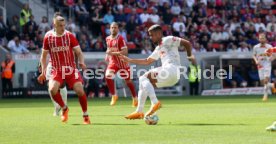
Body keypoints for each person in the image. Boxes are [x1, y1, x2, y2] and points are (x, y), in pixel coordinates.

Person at [121, 24, 194, 119]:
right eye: (150, 35)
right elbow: (147, 61)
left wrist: (189, 56)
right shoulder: (158, 48)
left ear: (159, 33)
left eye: (152, 35)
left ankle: (155, 102)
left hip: (171, 69)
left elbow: (187, 43)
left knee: (143, 78)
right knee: (143, 83)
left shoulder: (168, 39)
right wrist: (130, 60)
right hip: (172, 76)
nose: (151, 37)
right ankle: (139, 111)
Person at [37, 12, 90, 124]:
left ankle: (85, 115)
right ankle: (64, 108)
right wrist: (43, 71)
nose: (62, 28)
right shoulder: (48, 37)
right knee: (52, 90)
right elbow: (43, 56)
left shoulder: (69, 36)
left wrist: (81, 62)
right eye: (60, 26)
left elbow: (79, 52)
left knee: (80, 90)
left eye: (64, 25)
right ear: (54, 25)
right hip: (56, 69)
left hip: (70, 69)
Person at [105, 22, 138, 107]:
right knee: (108, 76)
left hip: (123, 62)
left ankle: (135, 98)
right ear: (110, 29)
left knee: (128, 81)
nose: (113, 29)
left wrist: (112, 53)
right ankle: (114, 95)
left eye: (115, 27)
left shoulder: (120, 39)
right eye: (112, 27)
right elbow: (109, 49)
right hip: (113, 62)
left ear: (118, 29)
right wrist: (107, 55)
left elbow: (125, 52)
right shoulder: (107, 39)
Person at [253, 34, 275, 101]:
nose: (261, 39)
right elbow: (253, 55)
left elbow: (274, 55)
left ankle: (265, 97)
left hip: (267, 64)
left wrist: (271, 59)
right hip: (260, 65)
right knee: (263, 82)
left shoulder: (269, 47)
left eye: (263, 38)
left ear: (265, 39)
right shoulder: (256, 47)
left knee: (266, 80)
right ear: (259, 39)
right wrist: (256, 61)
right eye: (260, 38)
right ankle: (273, 86)